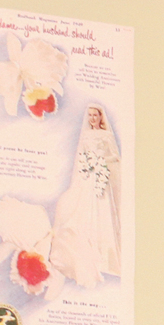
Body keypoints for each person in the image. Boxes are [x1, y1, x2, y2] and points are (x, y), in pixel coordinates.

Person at [51, 104, 124, 287]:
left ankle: (105, 256)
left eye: (95, 115)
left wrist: (101, 162)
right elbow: (80, 157)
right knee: (83, 211)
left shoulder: (106, 135)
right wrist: (87, 166)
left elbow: (115, 158)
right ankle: (88, 254)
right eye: (90, 115)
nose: (92, 118)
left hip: (101, 179)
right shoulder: (85, 135)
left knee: (102, 212)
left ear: (100, 117)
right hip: (88, 178)